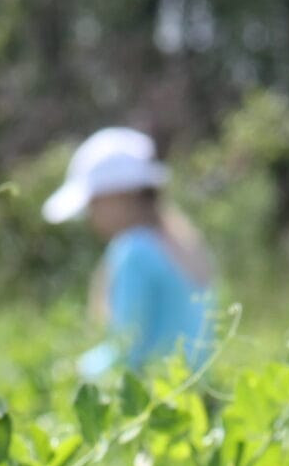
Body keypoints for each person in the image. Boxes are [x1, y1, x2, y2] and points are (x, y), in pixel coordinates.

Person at [43, 128, 215, 377]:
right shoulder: (183, 241)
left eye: (94, 202)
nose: (91, 217)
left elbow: (126, 350)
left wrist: (71, 373)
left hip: (154, 397)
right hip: (191, 396)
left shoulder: (134, 250)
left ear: (121, 195)